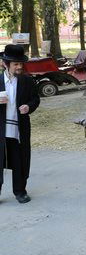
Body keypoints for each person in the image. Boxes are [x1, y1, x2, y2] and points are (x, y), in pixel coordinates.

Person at [0, 44, 40, 204]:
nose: (19, 67)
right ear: (5, 64)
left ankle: (20, 191)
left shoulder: (27, 81)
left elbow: (35, 99)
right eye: (16, 64)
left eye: (21, 63)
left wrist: (28, 107)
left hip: (19, 129)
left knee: (19, 160)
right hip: (1, 129)